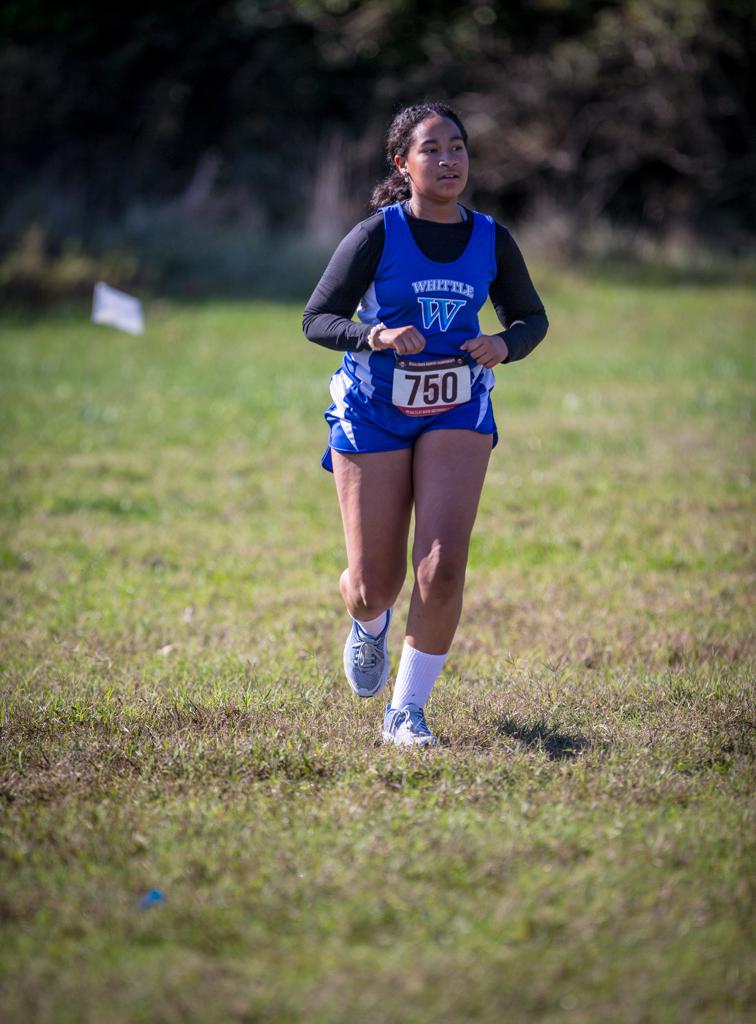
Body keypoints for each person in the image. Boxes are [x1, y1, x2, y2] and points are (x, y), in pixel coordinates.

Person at [302, 102, 548, 747]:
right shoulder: (375, 235)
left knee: (441, 566)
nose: (448, 160)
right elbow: (318, 319)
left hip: (458, 406)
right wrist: (374, 333)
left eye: (458, 147)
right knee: (373, 585)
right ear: (402, 163)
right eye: (432, 149)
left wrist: (506, 345)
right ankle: (367, 621)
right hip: (374, 411)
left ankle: (405, 713)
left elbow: (531, 318)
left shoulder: (492, 236)